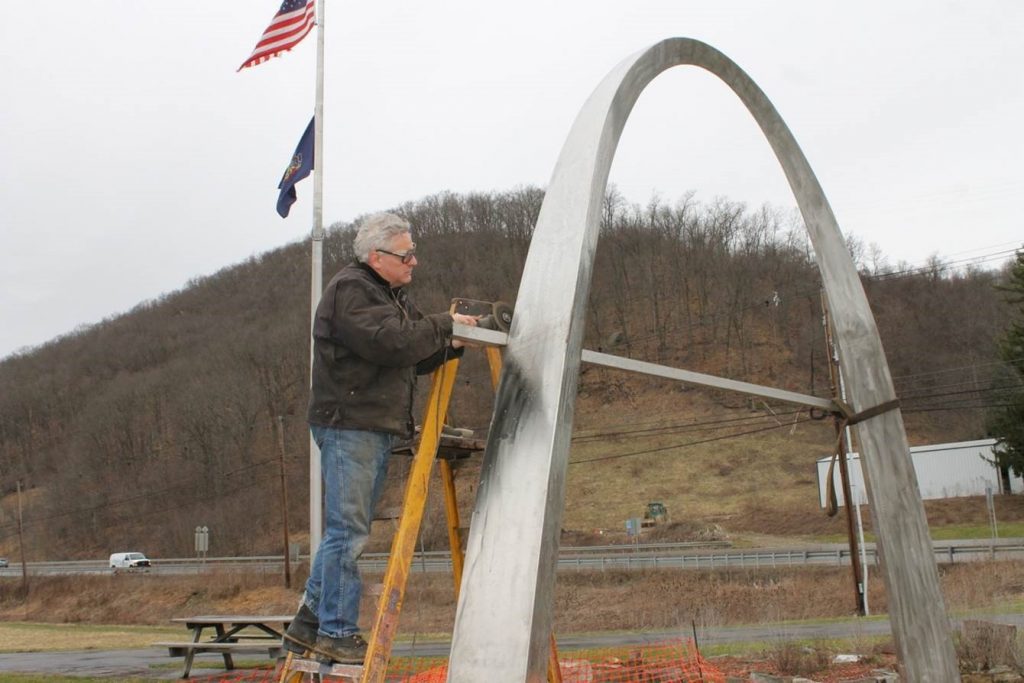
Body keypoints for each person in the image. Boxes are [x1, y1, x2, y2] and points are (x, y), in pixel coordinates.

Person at [284, 212, 477, 664]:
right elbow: (394, 343)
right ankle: (335, 630)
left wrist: (451, 345)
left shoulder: (389, 297)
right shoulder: (353, 291)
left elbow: (409, 355)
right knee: (347, 534)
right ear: (377, 256)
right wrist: (445, 324)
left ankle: (309, 623)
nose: (414, 261)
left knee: (348, 531)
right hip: (349, 425)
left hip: (368, 427)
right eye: (406, 254)